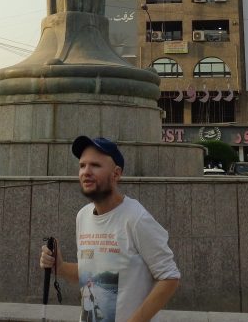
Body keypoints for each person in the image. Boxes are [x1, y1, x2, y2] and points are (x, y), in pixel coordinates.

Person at [39, 136, 180, 322]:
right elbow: (92, 275)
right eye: (82, 165)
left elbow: (169, 278)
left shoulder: (136, 218)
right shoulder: (83, 216)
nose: (86, 172)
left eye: (95, 165)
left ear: (116, 174)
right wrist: (61, 267)